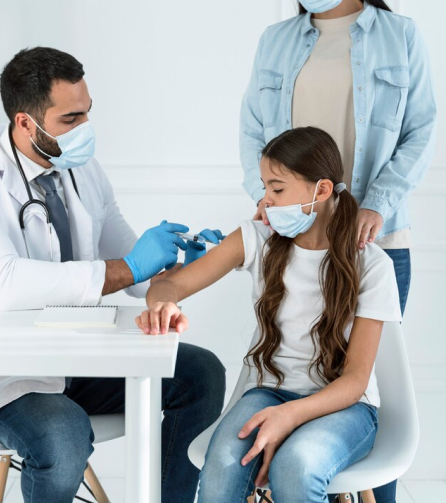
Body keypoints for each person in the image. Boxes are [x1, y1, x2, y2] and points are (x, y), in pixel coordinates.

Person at [0, 46, 225, 503]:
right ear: (25, 122)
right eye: (70, 120)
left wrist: (185, 260)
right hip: (3, 372)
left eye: (87, 113)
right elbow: (4, 284)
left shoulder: (82, 169)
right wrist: (130, 267)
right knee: (62, 436)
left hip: (79, 357)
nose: (85, 129)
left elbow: (136, 272)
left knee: (200, 373)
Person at [239, 0, 436, 502]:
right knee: (297, 375)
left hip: (374, 242)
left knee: (372, 393)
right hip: (296, 239)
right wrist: (266, 198)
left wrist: (379, 201)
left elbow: (422, 129)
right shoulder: (276, 42)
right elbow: (253, 132)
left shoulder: (399, 36)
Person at [135, 126, 402, 503]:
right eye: (264, 188)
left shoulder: (372, 266)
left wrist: (291, 415)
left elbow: (356, 381)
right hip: (268, 393)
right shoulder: (256, 239)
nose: (266, 201)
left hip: (346, 407)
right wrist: (162, 303)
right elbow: (171, 286)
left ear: (321, 190)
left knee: (297, 465)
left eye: (277, 189)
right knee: (224, 464)